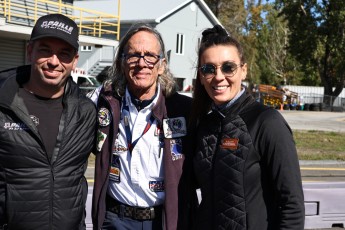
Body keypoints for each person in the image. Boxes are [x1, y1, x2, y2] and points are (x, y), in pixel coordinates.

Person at [189, 25, 305, 230]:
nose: (218, 77)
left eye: (228, 67)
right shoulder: (204, 125)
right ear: (200, 75)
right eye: (209, 68)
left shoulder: (267, 122)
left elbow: (292, 204)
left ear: (243, 70)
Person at [90, 23, 197, 230]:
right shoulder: (104, 103)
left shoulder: (183, 109)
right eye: (133, 55)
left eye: (150, 55)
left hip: (162, 221)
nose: (141, 63)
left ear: (162, 65)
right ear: (122, 63)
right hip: (114, 220)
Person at [0, 14, 96, 230]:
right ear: (30, 51)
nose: (54, 62)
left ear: (75, 60)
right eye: (45, 50)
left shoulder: (86, 113)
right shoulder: (3, 106)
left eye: (64, 54)